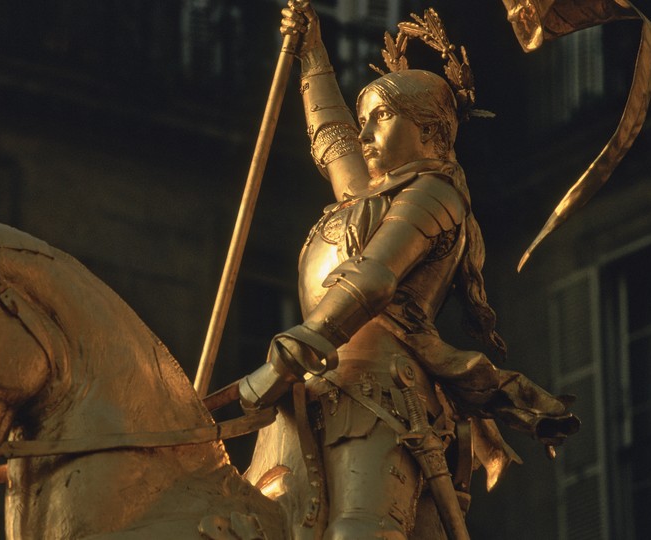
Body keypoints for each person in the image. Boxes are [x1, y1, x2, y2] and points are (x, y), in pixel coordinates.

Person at [239, 3, 579, 539]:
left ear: (430, 131)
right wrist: (312, 52)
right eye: (364, 118)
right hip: (321, 388)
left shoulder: (435, 194)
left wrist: (285, 357)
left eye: (380, 116)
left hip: (382, 394)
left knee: (359, 530)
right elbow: (331, 139)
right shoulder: (364, 197)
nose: (364, 131)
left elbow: (373, 279)